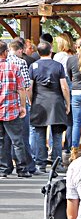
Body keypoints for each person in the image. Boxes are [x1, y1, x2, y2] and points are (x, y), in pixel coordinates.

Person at [29, 42, 70, 173]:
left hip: (39, 102)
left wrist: (31, 101)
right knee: (57, 135)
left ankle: (40, 164)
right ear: (51, 51)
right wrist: (67, 103)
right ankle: (57, 164)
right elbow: (64, 86)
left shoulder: (33, 66)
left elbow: (30, 87)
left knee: (39, 133)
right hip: (56, 103)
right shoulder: (57, 66)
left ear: (38, 52)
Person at [3, 39, 37, 175]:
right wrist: (25, 104)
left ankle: (4, 168)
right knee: (19, 139)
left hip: (1, 107)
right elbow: (23, 87)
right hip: (14, 105)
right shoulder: (19, 64)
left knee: (3, 140)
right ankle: (23, 168)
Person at [54, 33, 75, 163]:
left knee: (57, 120)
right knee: (71, 120)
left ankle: (54, 147)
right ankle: (69, 146)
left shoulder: (58, 56)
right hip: (72, 86)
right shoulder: (72, 56)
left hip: (61, 86)